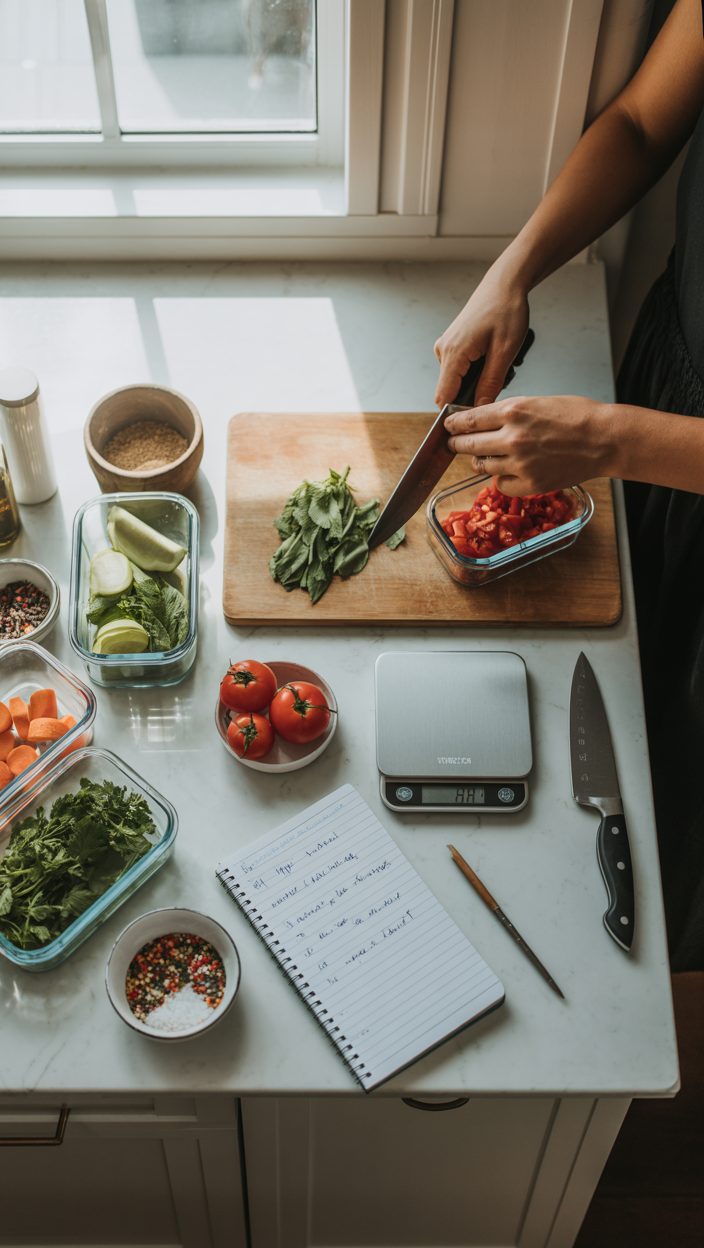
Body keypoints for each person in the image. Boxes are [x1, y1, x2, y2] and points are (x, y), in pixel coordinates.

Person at [433, 0, 704, 970]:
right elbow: (637, 123)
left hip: (659, 441)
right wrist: (515, 266)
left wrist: (610, 438)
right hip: (671, 388)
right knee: (629, 731)